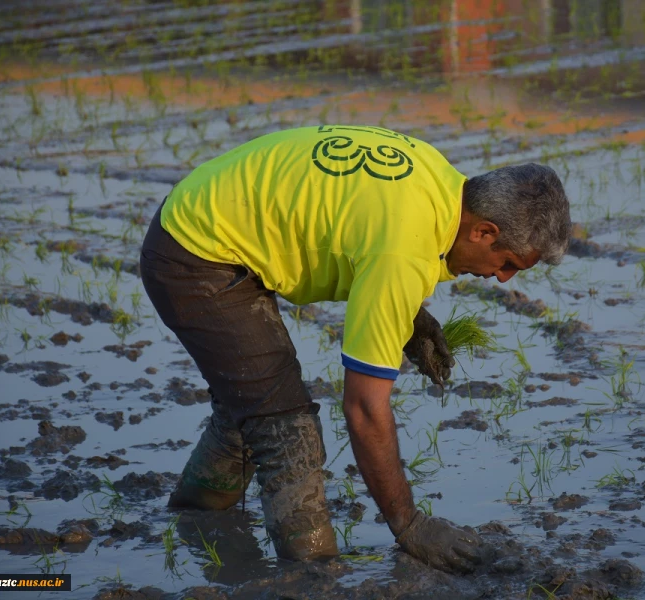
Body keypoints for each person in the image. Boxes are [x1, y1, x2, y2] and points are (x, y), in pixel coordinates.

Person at [139, 125, 571, 574]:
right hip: (194, 251)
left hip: (211, 210)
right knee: (286, 429)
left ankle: (196, 519)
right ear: (483, 230)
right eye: (508, 265)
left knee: (246, 406)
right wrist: (409, 524)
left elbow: (362, 233)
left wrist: (409, 315)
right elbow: (364, 409)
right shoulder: (404, 252)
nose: (504, 279)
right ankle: (313, 576)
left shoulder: (438, 180)